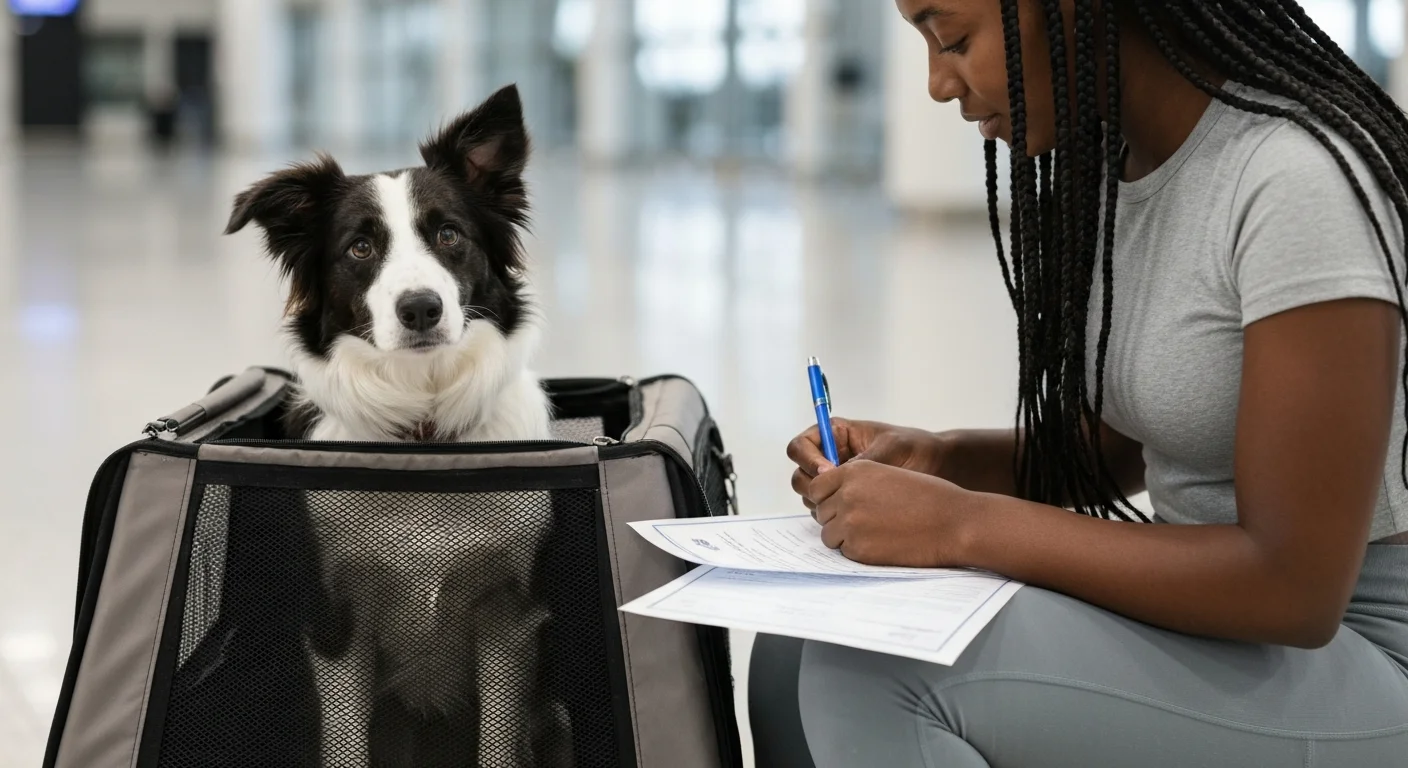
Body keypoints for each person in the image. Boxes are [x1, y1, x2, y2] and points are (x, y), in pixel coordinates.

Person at [749, 1, 1408, 766]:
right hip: (1229, 632)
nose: (936, 83)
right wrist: (942, 459)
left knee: (874, 672)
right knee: (792, 647)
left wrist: (961, 526)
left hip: (1361, 655)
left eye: (952, 39)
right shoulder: (1116, 166)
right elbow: (1139, 441)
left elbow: (1294, 589)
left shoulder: (1296, 180)